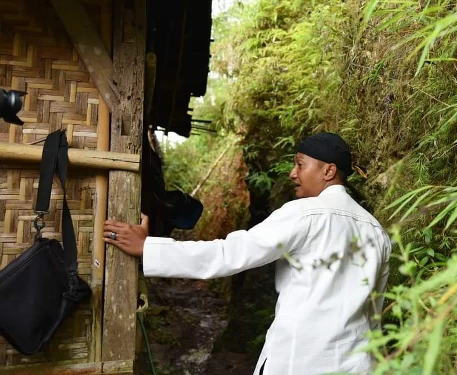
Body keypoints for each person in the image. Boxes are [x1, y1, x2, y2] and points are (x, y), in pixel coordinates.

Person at [103, 132, 391, 375]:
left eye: (300, 164)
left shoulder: (305, 214)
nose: (292, 173)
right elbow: (373, 314)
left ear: (328, 171)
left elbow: (230, 254)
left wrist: (148, 247)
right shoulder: (377, 232)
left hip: (299, 362)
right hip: (358, 365)